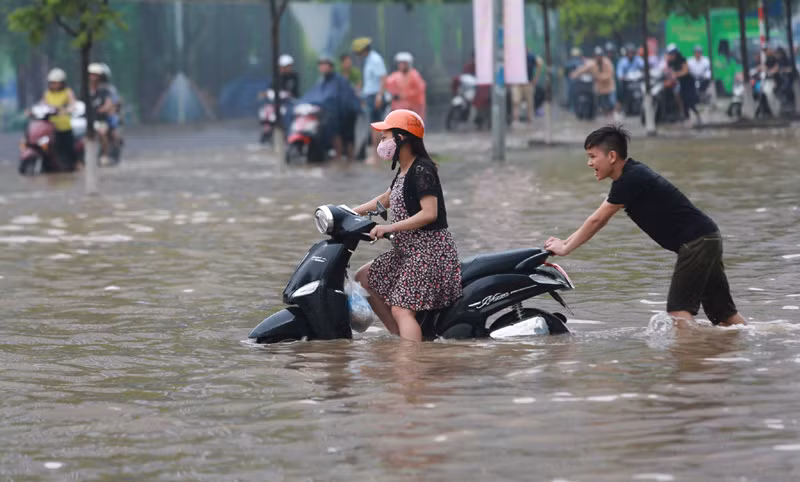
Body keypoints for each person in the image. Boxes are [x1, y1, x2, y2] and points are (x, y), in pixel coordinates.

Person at [544, 125, 747, 329]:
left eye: (593, 156)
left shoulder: (630, 178)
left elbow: (597, 220)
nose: (589, 163)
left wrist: (565, 248)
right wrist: (564, 243)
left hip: (697, 242)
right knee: (725, 315)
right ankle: (747, 343)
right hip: (706, 238)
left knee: (678, 311)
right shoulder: (630, 177)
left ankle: (690, 359)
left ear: (612, 156)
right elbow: (595, 218)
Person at [352, 109, 462, 341]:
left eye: (385, 137)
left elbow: (429, 213)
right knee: (364, 278)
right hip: (407, 252)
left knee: (401, 309)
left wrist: (389, 228)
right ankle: (399, 336)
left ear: (402, 138)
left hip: (430, 253)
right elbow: (384, 200)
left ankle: (412, 365)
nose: (381, 143)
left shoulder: (422, 169)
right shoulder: (404, 171)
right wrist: (349, 212)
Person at [315, 55, 361, 161]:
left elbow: (345, 97)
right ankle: (339, 159)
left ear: (331, 67)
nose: (322, 68)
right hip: (334, 114)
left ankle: (349, 160)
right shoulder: (322, 81)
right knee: (335, 135)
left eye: (325, 65)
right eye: (321, 65)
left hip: (346, 113)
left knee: (348, 138)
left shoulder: (338, 80)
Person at [41, 68, 77, 171]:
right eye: (53, 83)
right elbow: (42, 105)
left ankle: (73, 164)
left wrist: (66, 110)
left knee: (67, 148)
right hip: (50, 126)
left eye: (57, 83)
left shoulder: (67, 92)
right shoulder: (47, 93)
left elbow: (73, 104)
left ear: (62, 83)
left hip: (64, 125)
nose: (55, 85)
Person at [571, 47, 615, 116]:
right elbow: (583, 69)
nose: (598, 57)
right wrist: (575, 74)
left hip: (608, 87)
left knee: (610, 104)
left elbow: (610, 74)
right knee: (597, 103)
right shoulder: (592, 63)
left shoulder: (607, 62)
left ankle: (610, 117)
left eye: (599, 56)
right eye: (597, 56)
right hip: (599, 88)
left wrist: (599, 77)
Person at [386, 52, 427, 120]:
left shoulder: (415, 75)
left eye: (404, 63)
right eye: (400, 63)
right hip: (399, 110)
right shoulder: (396, 76)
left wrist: (404, 95)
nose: (401, 65)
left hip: (413, 109)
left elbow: (420, 90)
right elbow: (388, 84)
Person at [667, 46, 702, 124]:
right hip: (680, 83)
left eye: (672, 54)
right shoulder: (670, 62)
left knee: (689, 101)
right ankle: (685, 116)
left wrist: (676, 74)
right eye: (670, 54)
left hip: (688, 83)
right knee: (677, 96)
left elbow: (685, 71)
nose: (671, 55)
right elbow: (668, 71)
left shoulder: (682, 60)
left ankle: (698, 116)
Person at [89, 62, 115, 166]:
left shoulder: (105, 90)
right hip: (86, 120)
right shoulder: (84, 90)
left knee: (102, 131)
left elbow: (109, 104)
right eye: (91, 74)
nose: (92, 77)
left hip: (100, 120)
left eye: (95, 75)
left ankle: (105, 155)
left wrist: (102, 109)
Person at [511, 49, 542, 124]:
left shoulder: (531, 57)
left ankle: (530, 120)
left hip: (528, 83)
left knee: (530, 103)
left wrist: (536, 78)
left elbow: (540, 63)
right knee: (516, 102)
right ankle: (516, 120)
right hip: (517, 83)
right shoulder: (515, 57)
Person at [616, 45, 645, 112]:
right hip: (627, 82)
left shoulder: (638, 59)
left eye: (632, 53)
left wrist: (643, 73)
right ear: (626, 53)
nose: (630, 54)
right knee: (621, 91)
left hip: (637, 81)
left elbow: (643, 66)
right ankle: (623, 104)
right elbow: (619, 72)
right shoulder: (622, 61)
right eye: (629, 53)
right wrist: (621, 77)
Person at [565, 47, 584, 113]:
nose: (575, 57)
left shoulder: (581, 62)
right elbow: (566, 72)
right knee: (572, 94)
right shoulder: (570, 63)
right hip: (572, 81)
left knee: (576, 94)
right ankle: (573, 108)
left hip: (579, 81)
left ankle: (575, 108)